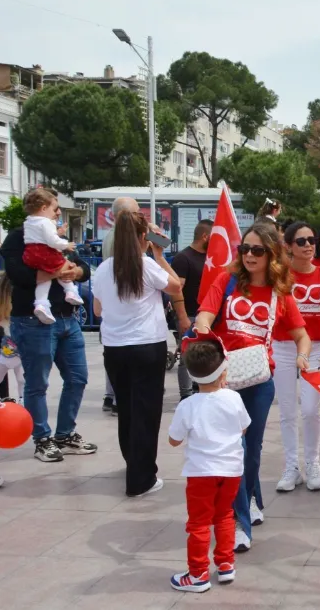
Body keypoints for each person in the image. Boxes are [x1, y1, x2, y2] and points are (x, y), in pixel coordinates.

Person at [194, 222, 310, 552]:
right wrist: (206, 329)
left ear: (272, 254)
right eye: (244, 249)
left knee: (252, 454)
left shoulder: (280, 295)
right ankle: (239, 524)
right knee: (237, 451)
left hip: (260, 383)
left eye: (257, 250)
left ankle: (253, 500)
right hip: (225, 381)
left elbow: (302, 335)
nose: (249, 255)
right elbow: (205, 314)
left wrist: (302, 357)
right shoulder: (226, 280)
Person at [93, 211, 183, 497]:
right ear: (144, 237)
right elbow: (176, 285)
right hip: (146, 346)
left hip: (115, 349)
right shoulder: (147, 266)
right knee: (147, 412)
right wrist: (159, 254)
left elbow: (97, 310)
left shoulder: (104, 268)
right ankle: (141, 479)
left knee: (128, 410)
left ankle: (134, 464)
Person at [0, 214, 94, 463]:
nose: (57, 215)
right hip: (33, 320)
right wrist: (55, 271)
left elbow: (82, 268)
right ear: (40, 209)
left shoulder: (55, 235)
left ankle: (65, 435)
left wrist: (75, 271)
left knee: (78, 377)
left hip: (67, 318)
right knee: (37, 383)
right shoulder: (19, 237)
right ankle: (42, 439)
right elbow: (19, 275)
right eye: (54, 209)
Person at [167, 332, 251, 593]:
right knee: (225, 515)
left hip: (201, 473)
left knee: (199, 523)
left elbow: (173, 440)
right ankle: (226, 565)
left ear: (191, 375)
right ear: (223, 372)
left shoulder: (187, 405)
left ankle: (198, 574)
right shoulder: (233, 398)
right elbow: (244, 428)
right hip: (232, 470)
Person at [274, 222, 320, 494]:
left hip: (315, 349)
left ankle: (313, 463)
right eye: (301, 241)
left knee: (312, 410)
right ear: (288, 246)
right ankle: (292, 466)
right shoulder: (279, 277)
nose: (309, 245)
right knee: (287, 410)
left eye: (311, 240)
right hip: (283, 348)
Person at [21, 189, 84, 323]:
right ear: (44, 208)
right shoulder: (45, 222)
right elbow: (52, 241)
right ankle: (70, 290)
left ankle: (41, 303)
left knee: (45, 279)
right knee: (65, 264)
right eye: (55, 209)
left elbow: (39, 235)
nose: (58, 212)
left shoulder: (28, 222)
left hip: (31, 254)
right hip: (45, 252)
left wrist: (57, 232)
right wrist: (65, 244)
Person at [101, 196, 139, 413]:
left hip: (114, 304)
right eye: (136, 213)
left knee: (113, 351)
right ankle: (118, 399)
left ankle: (111, 395)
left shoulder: (109, 236)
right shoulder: (125, 238)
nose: (140, 216)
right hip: (126, 304)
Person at [171, 219, 214, 400]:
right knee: (187, 355)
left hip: (207, 316)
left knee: (206, 354)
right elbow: (176, 289)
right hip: (189, 313)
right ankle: (186, 395)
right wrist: (182, 317)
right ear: (205, 236)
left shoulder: (211, 257)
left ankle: (200, 389)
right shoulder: (183, 258)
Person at [0, 278, 26, 403]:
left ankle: (23, 400)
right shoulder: (3, 307)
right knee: (4, 373)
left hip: (20, 345)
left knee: (21, 377)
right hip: (9, 347)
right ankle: (21, 400)